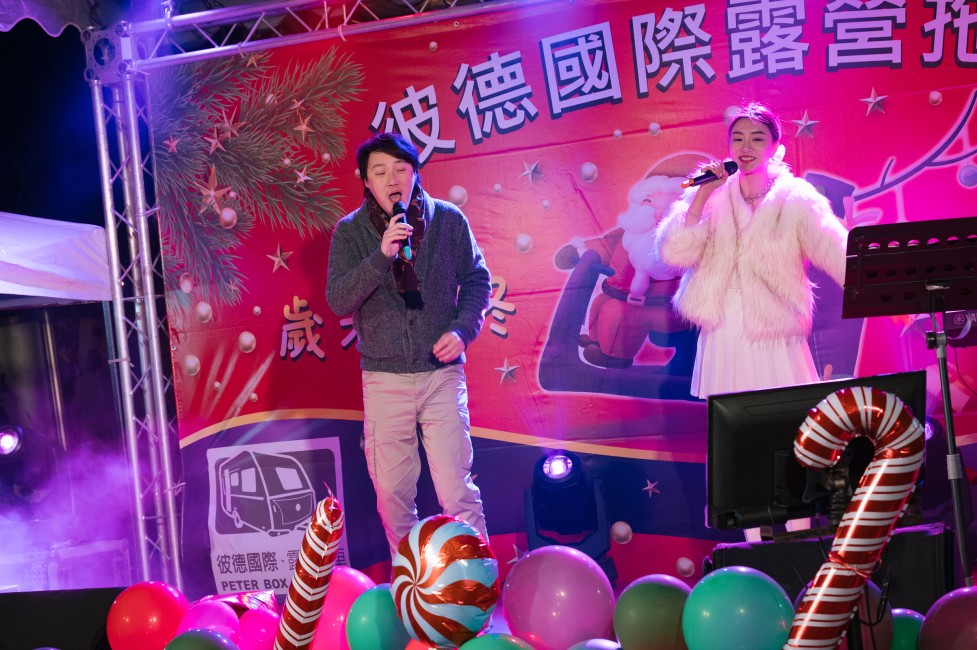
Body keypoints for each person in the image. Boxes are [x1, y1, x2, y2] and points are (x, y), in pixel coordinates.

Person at [325, 132, 491, 559]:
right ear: (366, 181)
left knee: (456, 490)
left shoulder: (448, 220)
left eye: (401, 169)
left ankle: (478, 585)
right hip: (385, 379)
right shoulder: (350, 232)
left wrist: (462, 330)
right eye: (380, 172)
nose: (392, 179)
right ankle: (411, 589)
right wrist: (381, 256)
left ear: (415, 173)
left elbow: (477, 279)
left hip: (441, 375)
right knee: (392, 498)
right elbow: (339, 299)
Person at [654, 101, 849, 400]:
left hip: (776, 327)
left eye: (757, 138)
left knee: (785, 413)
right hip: (723, 328)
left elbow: (837, 250)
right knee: (732, 418)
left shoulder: (795, 199)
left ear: (774, 147)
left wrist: (886, 295)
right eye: (738, 138)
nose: (746, 147)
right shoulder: (713, 194)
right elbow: (673, 254)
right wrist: (702, 195)